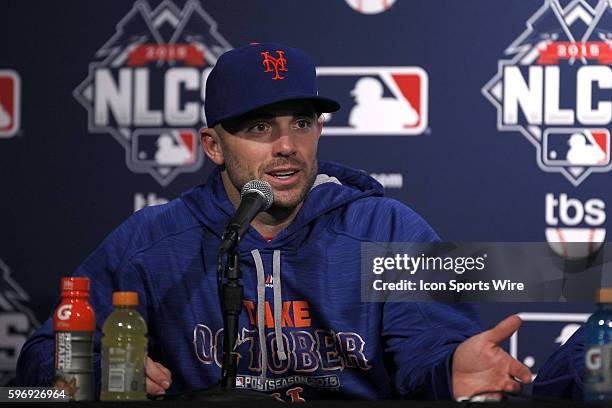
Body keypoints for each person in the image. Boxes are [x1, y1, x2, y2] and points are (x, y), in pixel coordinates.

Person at [16, 43, 531, 401]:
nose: (287, 146)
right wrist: (99, 371)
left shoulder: (385, 230)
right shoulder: (154, 240)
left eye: (301, 124)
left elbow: (429, 350)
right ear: (214, 145)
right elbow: (43, 357)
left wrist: (449, 371)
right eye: (261, 126)